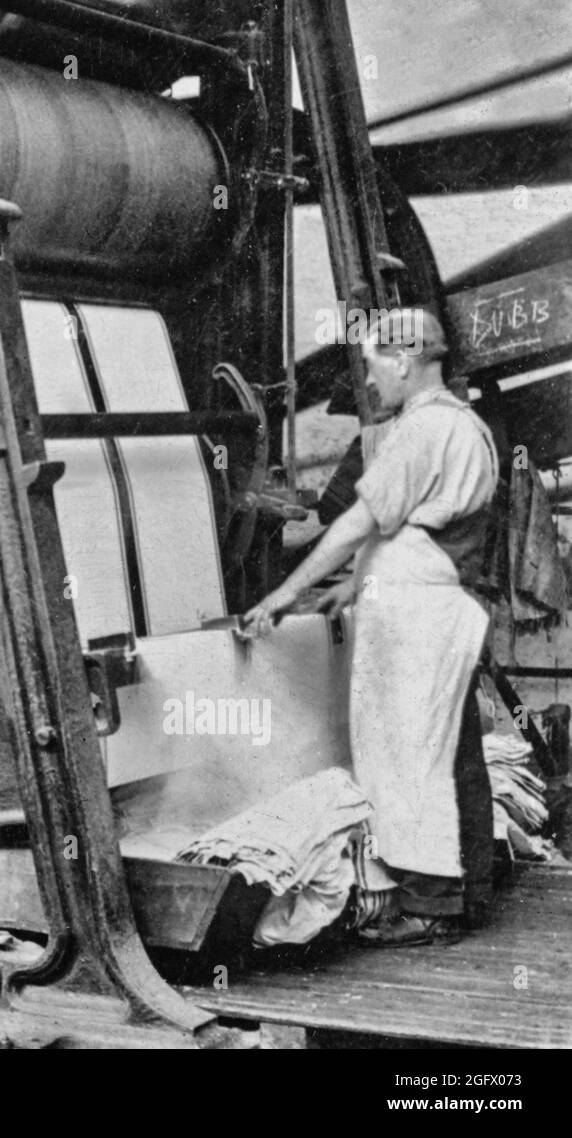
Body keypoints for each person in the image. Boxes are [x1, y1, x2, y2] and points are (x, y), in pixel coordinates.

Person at [242, 307, 498, 947]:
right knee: (455, 751)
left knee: (415, 757)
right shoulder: (461, 426)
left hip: (423, 621)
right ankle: (469, 892)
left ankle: (432, 906)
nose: (370, 380)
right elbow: (412, 524)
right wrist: (355, 586)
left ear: (405, 359)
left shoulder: (425, 430)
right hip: (436, 612)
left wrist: (283, 593)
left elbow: (361, 520)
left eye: (375, 364)